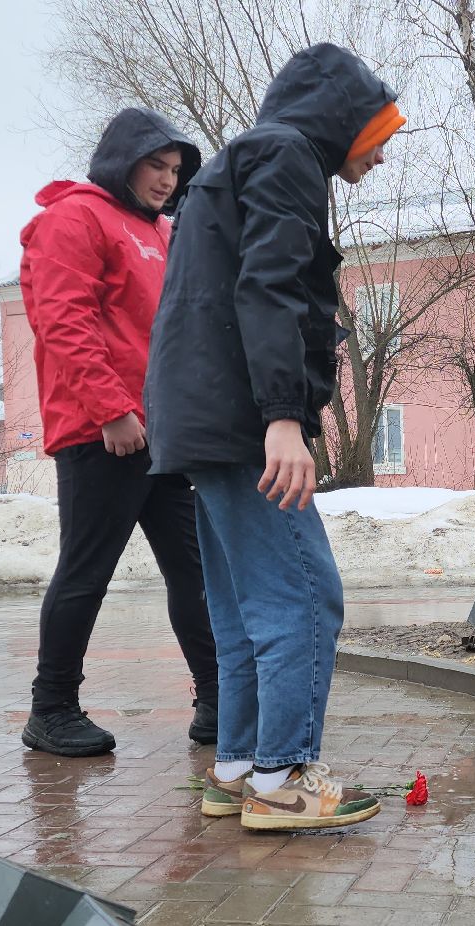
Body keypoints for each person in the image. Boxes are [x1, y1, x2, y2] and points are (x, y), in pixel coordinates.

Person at [144, 43, 404, 828]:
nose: (384, 153)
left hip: (200, 418)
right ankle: (285, 777)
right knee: (305, 597)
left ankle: (237, 768)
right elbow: (272, 289)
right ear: (345, 122)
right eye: (380, 134)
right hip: (241, 421)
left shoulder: (236, 163)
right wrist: (283, 420)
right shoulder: (289, 160)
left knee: (243, 606)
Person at [18, 108, 221, 757]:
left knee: (194, 569)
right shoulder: (73, 218)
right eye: (155, 166)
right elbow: (63, 318)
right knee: (87, 570)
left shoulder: (161, 230)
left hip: (161, 431)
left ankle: (219, 698)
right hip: (99, 429)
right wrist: (110, 408)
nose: (166, 180)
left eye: (174, 170)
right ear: (122, 159)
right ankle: (51, 709)